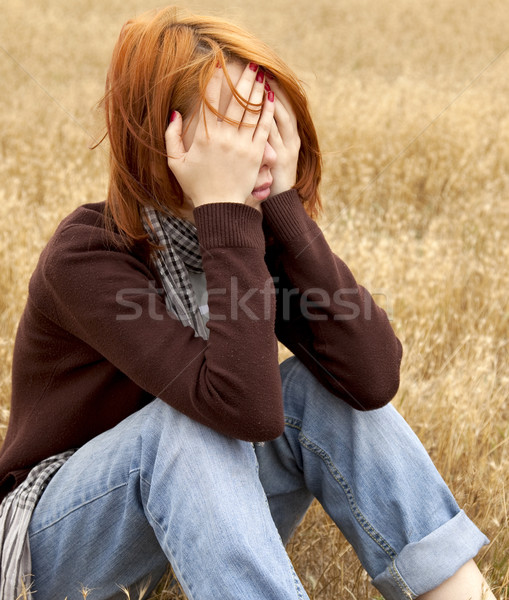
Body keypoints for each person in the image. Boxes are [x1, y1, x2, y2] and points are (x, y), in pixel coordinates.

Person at [0, 6, 495, 600]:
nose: (257, 149)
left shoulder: (249, 233)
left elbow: (372, 378)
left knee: (323, 393)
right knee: (184, 429)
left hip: (200, 523)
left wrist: (283, 211)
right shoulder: (86, 256)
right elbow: (244, 410)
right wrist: (227, 218)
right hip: (61, 543)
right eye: (234, 128)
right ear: (166, 138)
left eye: (266, 124)